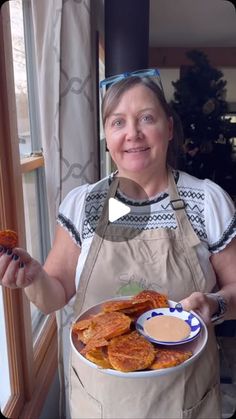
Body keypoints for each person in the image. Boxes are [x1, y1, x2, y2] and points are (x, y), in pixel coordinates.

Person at [1, 68, 236, 419]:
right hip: (100, 402)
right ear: (106, 135)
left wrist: (215, 304)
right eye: (118, 122)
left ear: (169, 128)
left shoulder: (206, 201)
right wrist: (33, 277)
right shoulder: (83, 204)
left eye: (146, 118)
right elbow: (54, 295)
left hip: (186, 399)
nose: (133, 134)